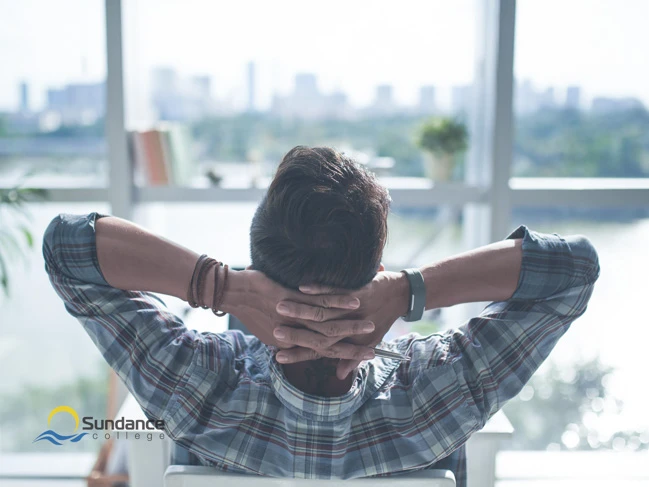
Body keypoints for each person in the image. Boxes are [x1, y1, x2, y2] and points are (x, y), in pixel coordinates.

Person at [43, 146, 600, 486]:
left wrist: (224, 288)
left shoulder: (194, 385)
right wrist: (410, 291)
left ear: (257, 265)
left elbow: (68, 249)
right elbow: (573, 268)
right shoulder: (438, 396)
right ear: (376, 270)